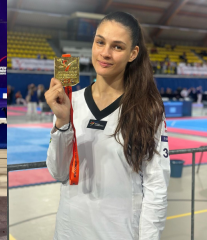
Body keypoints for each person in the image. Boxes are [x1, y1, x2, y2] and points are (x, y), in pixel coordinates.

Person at [45, 12, 170, 240]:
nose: (105, 53)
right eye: (100, 42)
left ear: (133, 53)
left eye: (117, 47)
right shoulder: (70, 102)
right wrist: (63, 122)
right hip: (69, 230)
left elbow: (156, 186)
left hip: (120, 232)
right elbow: (59, 172)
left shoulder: (147, 109)